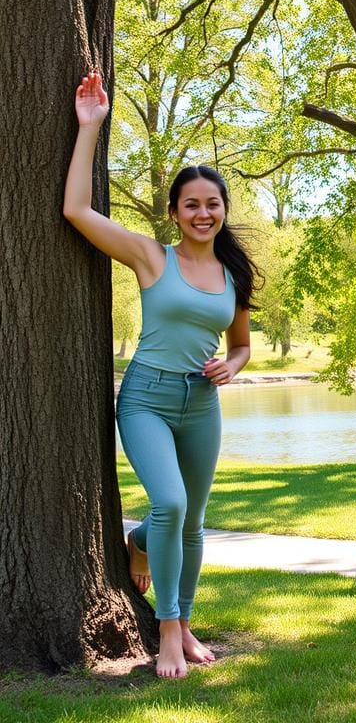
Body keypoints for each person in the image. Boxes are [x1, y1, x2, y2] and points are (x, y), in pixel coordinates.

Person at [64, 73, 257, 678]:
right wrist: (91, 127)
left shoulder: (233, 275)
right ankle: (168, 631)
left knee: (191, 519)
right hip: (146, 397)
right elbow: (76, 210)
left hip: (202, 404)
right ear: (174, 212)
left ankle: (172, 597)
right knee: (171, 502)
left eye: (212, 203)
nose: (203, 212)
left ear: (223, 211)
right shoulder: (153, 257)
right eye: (191, 204)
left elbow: (242, 346)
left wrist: (231, 366)